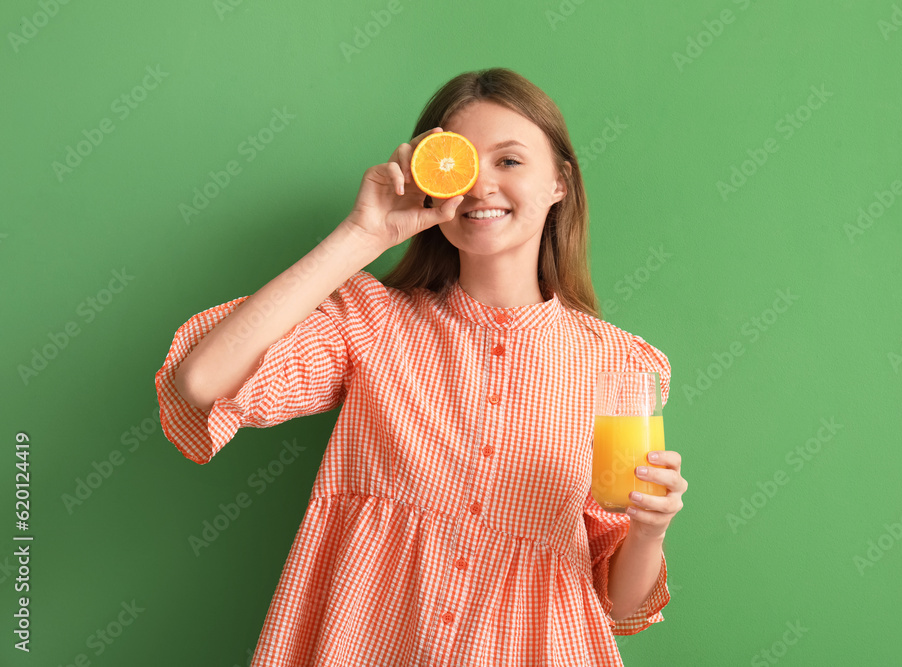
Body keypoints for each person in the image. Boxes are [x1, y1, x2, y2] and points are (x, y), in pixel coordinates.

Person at [155, 67, 687, 667]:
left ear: (560, 183)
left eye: (510, 161)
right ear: (433, 178)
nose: (483, 185)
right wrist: (362, 234)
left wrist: (649, 529)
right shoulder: (369, 320)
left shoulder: (619, 365)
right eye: (461, 161)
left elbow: (617, 608)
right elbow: (202, 382)